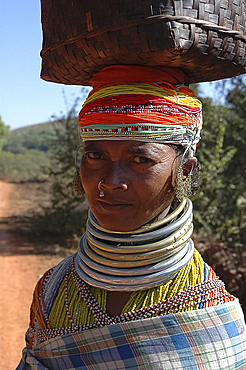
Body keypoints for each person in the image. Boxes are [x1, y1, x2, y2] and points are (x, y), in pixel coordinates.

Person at [17, 66, 246, 369]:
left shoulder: (208, 309)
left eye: (140, 159)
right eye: (95, 156)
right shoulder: (52, 290)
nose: (110, 181)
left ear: (185, 172)